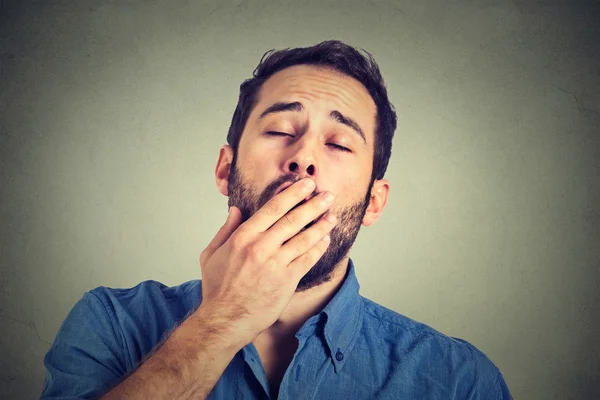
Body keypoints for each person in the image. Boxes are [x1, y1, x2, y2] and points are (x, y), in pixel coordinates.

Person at [40, 40, 512, 400]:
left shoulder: (457, 379)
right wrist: (222, 321)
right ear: (226, 169)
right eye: (282, 130)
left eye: (339, 143)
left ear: (373, 203)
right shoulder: (111, 324)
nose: (304, 157)